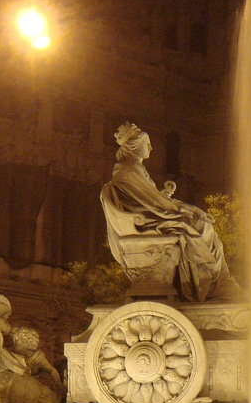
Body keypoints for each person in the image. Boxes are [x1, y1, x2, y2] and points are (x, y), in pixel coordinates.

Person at [100, 122, 240, 302]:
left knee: (202, 228)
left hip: (150, 219)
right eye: (146, 144)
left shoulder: (134, 170)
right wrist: (191, 208)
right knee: (203, 228)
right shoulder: (129, 171)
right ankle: (215, 285)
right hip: (146, 224)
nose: (150, 148)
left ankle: (220, 282)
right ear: (135, 146)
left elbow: (150, 199)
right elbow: (156, 202)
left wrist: (165, 197)